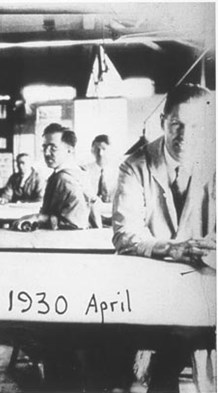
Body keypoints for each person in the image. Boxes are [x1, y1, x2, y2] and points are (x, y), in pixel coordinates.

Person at [113, 83, 216, 393]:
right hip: (150, 292)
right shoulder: (135, 166)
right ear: (163, 122)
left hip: (206, 289)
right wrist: (173, 248)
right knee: (149, 374)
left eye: (196, 125)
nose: (184, 134)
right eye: (176, 124)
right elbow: (124, 233)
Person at [13, 123, 90, 230]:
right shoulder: (75, 173)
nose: (46, 153)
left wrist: (38, 218)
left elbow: (75, 223)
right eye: (44, 147)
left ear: (70, 150)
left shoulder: (64, 178)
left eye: (53, 148)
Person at [81, 134, 118, 227]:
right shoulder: (84, 170)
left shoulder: (119, 172)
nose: (100, 153)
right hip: (91, 218)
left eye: (104, 149)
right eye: (97, 149)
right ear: (92, 150)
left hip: (114, 216)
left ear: (110, 151)